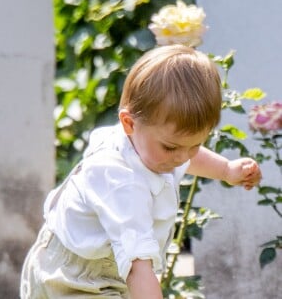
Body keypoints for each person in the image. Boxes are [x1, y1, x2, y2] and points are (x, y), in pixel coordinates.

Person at [20, 44, 262, 299]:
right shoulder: (120, 181)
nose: (182, 158)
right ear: (128, 123)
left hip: (108, 268)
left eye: (195, 145)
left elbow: (185, 155)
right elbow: (139, 269)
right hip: (72, 278)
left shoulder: (148, 141)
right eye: (171, 147)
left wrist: (225, 169)